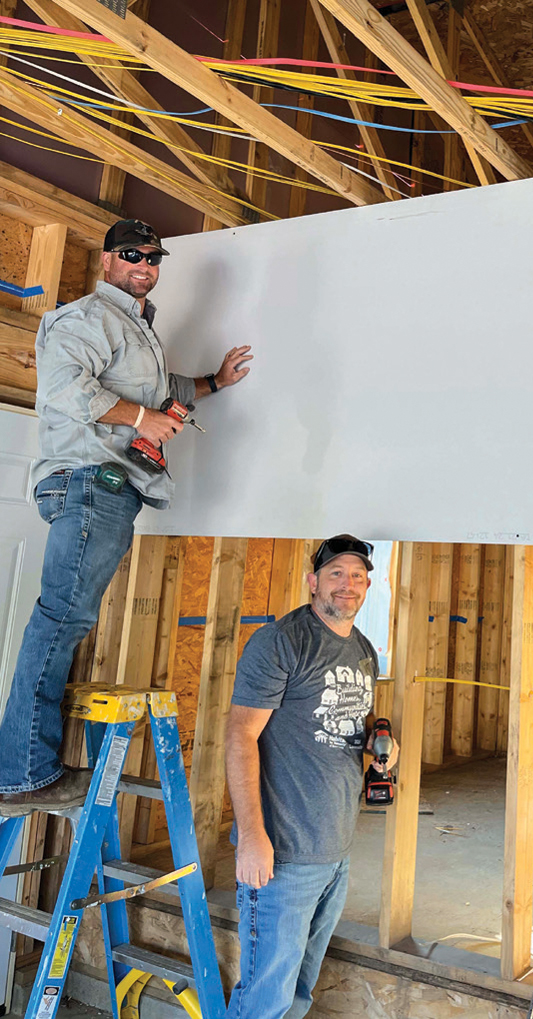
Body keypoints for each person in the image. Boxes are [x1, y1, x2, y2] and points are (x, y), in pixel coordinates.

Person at [0, 218, 252, 815]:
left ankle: (20, 767)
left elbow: (162, 390)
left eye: (153, 257)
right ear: (107, 261)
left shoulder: (136, 328)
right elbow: (65, 390)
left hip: (108, 486)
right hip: (90, 480)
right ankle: (21, 772)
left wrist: (214, 382)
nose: (145, 264)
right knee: (60, 619)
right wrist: (140, 421)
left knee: (64, 618)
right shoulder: (84, 319)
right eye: (131, 254)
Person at [225, 534, 399, 1019]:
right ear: (313, 582)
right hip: (283, 854)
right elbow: (240, 737)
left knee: (299, 990)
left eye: (358, 576)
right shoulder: (282, 641)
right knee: (266, 997)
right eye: (336, 574)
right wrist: (252, 837)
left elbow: (346, 726)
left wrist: (379, 746)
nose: (348, 585)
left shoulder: (363, 649)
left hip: (335, 851)